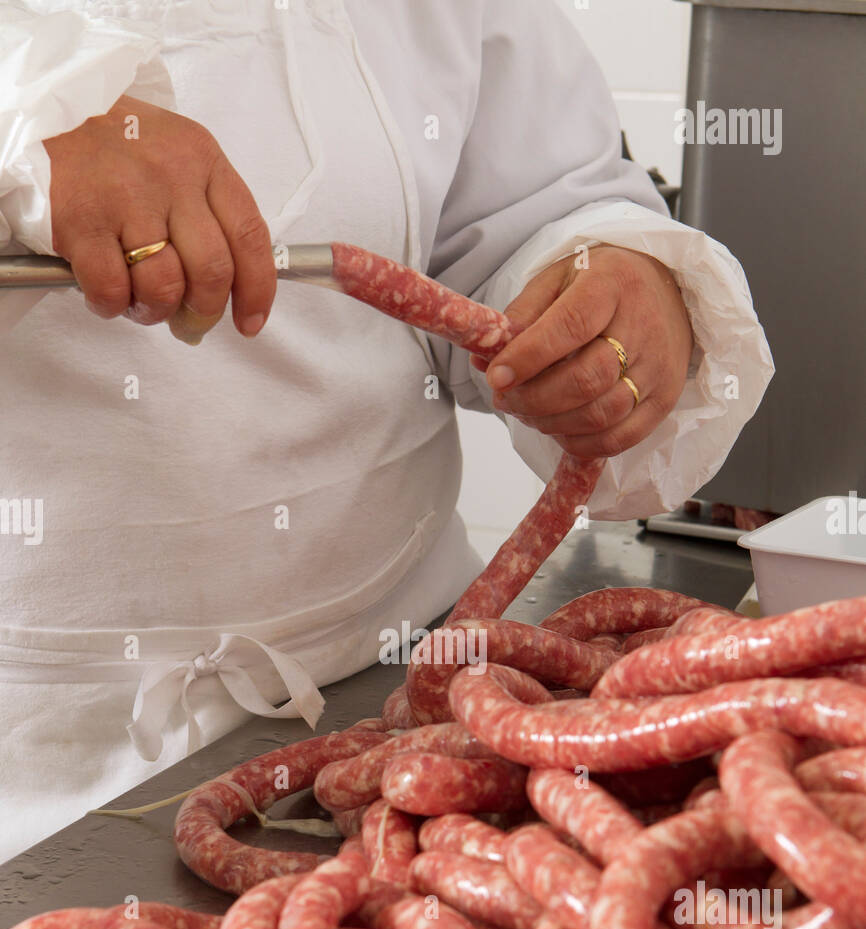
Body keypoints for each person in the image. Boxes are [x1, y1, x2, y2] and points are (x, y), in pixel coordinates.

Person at [0, 0, 773, 864]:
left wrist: (606, 276)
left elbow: (528, 205)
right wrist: (29, 117)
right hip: (35, 770)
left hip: (412, 703)